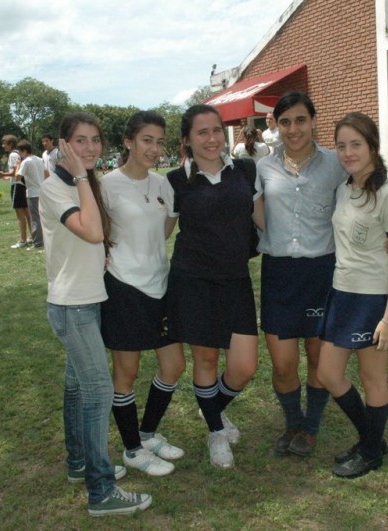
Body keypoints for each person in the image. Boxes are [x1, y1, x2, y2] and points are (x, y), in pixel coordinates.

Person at [40, 111, 151, 516]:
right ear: (63, 145)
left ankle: (79, 463)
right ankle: (101, 491)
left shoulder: (86, 183)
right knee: (98, 392)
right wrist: (83, 179)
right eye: (80, 141)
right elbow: (91, 231)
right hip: (72, 305)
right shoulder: (56, 187)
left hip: (90, 299)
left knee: (76, 387)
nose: (89, 148)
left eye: (95, 140)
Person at [165, 104, 264, 468]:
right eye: (202, 132)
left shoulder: (245, 171)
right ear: (187, 140)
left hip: (235, 280)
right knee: (205, 359)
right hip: (192, 280)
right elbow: (158, 232)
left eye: (216, 130)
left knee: (244, 367)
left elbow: (264, 220)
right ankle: (215, 432)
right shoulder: (175, 181)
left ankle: (212, 410)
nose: (211, 139)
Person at [318, 112, 388, 479]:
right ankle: (372, 438)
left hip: (373, 298)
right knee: (328, 373)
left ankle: (371, 452)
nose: (348, 152)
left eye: (356, 144)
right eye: (341, 145)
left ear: (372, 146)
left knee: (373, 378)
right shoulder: (344, 188)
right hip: (342, 293)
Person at [255, 91, 345, 458]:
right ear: (276, 125)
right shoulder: (263, 167)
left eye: (300, 120)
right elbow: (253, 209)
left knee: (319, 357)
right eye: (285, 122)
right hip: (278, 272)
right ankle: (292, 421)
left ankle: (310, 427)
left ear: (313, 121)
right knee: (282, 363)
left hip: (321, 271)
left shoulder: (336, 164)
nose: (293, 129)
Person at [100, 111, 185, 477]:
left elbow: (166, 227)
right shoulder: (106, 185)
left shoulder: (163, 184)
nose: (154, 148)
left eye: (159, 141)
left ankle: (147, 434)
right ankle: (132, 449)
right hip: (123, 287)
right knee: (127, 371)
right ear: (128, 141)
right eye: (147, 140)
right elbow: (98, 233)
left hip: (160, 284)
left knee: (174, 365)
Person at [0, 135, 30, 249]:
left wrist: (4, 174)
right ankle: (33, 236)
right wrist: (8, 176)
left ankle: (23, 240)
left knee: (19, 214)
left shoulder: (13, 155)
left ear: (11, 144)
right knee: (27, 212)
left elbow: (14, 172)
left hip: (17, 186)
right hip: (23, 185)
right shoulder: (19, 153)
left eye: (5, 144)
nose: (3, 146)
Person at [16, 140, 46, 249]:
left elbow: (17, 177)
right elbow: (46, 173)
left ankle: (38, 242)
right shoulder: (40, 159)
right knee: (42, 217)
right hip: (42, 191)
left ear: (24, 151)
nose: (20, 155)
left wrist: (18, 165)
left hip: (33, 193)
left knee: (35, 219)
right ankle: (44, 239)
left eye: (20, 152)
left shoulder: (26, 162)